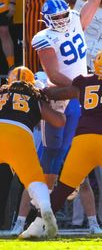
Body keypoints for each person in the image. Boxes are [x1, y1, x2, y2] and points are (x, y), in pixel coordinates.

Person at [21, 48, 102, 240]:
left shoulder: (84, 81)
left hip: (84, 140)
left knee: (64, 187)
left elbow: (57, 94)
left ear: (96, 65)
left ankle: (37, 225)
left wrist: (38, 90)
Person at [25, 0, 102, 234]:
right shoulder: (43, 37)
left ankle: (90, 222)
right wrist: (80, 88)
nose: (61, 20)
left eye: (63, 15)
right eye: (55, 17)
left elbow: (94, 2)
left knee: (75, 158)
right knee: (50, 155)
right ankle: (39, 218)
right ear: (46, 20)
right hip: (58, 97)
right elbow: (55, 73)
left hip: (76, 98)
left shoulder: (74, 21)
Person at [1, 67, 65, 239]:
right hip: (21, 135)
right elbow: (59, 122)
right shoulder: (35, 98)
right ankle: (44, 206)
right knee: (34, 179)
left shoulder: (2, 93)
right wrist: (59, 108)